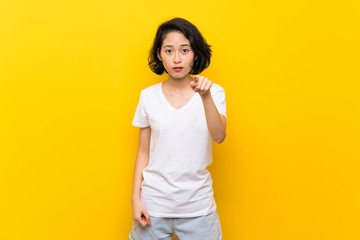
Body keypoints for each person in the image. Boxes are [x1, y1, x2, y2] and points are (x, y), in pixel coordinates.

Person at [129, 17, 226, 240]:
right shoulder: (148, 97)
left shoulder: (214, 92)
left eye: (184, 50)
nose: (177, 58)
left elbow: (219, 136)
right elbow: (143, 152)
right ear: (159, 55)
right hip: (154, 207)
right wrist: (136, 198)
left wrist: (205, 97)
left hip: (198, 207)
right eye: (169, 51)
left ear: (196, 54)